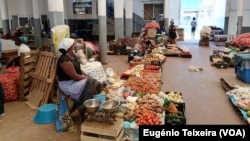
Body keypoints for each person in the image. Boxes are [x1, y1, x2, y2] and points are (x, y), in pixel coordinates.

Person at [56, 38, 107, 117]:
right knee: (91, 82)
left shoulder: (73, 57)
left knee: (96, 83)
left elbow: (79, 71)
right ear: (70, 48)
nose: (76, 46)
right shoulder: (65, 61)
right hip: (68, 84)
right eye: (74, 45)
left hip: (73, 80)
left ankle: (90, 103)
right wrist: (87, 78)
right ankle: (82, 107)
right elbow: (75, 77)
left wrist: (87, 75)